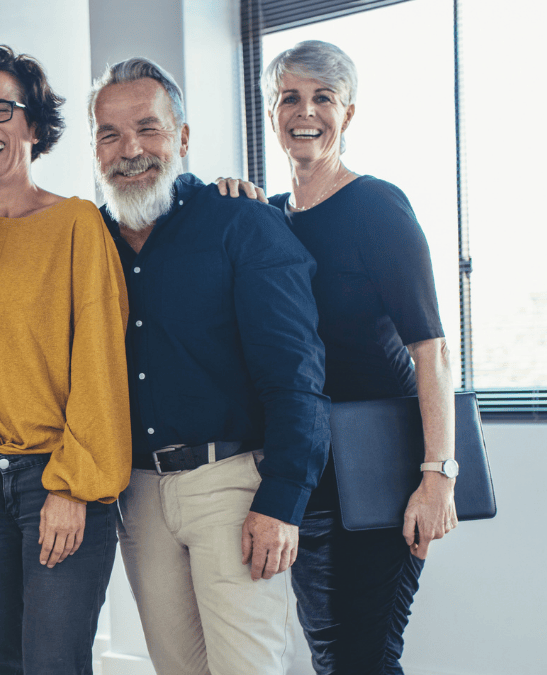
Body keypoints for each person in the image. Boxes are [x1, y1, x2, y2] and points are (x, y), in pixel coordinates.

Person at [219, 40, 457, 674]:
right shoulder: (267, 218)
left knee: (362, 657)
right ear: (271, 113)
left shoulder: (378, 207)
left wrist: (438, 476)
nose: (306, 111)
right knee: (335, 656)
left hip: (384, 472)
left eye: (323, 97)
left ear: (347, 114)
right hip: (308, 476)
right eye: (290, 97)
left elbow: (430, 350)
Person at [89, 56, 330, 675]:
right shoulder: (88, 243)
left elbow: (296, 375)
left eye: (148, 128)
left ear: (183, 138)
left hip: (233, 490)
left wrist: (282, 503)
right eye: (110, 134)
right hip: (138, 496)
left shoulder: (241, 223)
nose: (130, 149)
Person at [0, 46, 131, 675]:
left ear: (33, 124)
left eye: (0, 109)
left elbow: (101, 367)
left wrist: (72, 488)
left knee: (53, 662)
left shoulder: (76, 224)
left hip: (59, 475)